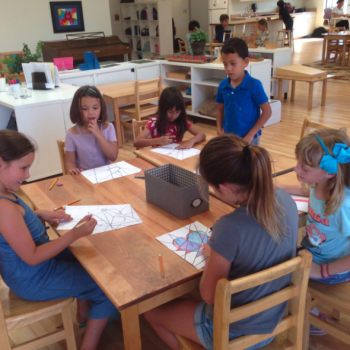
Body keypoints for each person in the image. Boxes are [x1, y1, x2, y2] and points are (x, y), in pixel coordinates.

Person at [144, 134, 299, 350]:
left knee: (149, 310)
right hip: (273, 318)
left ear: (226, 188)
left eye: (213, 188)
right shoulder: (285, 200)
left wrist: (210, 254)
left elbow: (208, 296)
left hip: (233, 331)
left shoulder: (230, 227)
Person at [0, 130, 118, 350]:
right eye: (23, 168)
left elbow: (15, 223)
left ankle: (83, 314)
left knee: (86, 254)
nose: (27, 175)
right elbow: (32, 257)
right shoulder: (4, 208)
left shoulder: (4, 192)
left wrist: (40, 214)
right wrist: (74, 233)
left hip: (29, 271)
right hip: (33, 277)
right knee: (108, 286)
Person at [279, 128, 350, 335]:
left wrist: (323, 271)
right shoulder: (321, 184)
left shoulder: (344, 206)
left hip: (331, 270)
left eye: (305, 167)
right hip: (312, 255)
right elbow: (307, 190)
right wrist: (279, 186)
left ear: (329, 171)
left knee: (274, 272)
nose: (296, 169)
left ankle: (311, 320)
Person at [215, 38, 272, 145]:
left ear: (245, 62)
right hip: (228, 138)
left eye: (233, 63)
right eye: (225, 64)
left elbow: (267, 111)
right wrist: (219, 130)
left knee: (249, 161)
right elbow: (220, 110)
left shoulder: (254, 85)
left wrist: (251, 134)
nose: (228, 69)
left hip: (250, 139)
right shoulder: (223, 85)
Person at [65, 86, 118, 175]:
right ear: (77, 110)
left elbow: (113, 156)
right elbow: (70, 161)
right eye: (85, 109)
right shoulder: (72, 134)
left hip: (107, 174)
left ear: (101, 108)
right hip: (85, 176)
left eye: (95, 108)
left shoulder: (109, 127)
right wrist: (72, 169)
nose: (91, 112)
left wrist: (98, 134)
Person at [134, 87, 205, 149]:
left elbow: (201, 134)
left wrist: (191, 141)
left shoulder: (181, 120)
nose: (173, 116)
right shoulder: (154, 121)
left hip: (175, 155)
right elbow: (137, 142)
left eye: (177, 112)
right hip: (158, 156)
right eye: (170, 112)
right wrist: (159, 140)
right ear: (163, 109)